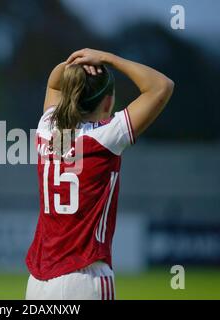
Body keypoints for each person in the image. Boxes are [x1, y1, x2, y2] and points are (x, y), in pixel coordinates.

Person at [25, 48, 174, 300]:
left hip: (38, 281)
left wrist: (73, 64)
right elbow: (161, 86)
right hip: (84, 278)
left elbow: (54, 84)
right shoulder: (106, 137)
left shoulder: (47, 129)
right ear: (108, 101)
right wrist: (108, 59)